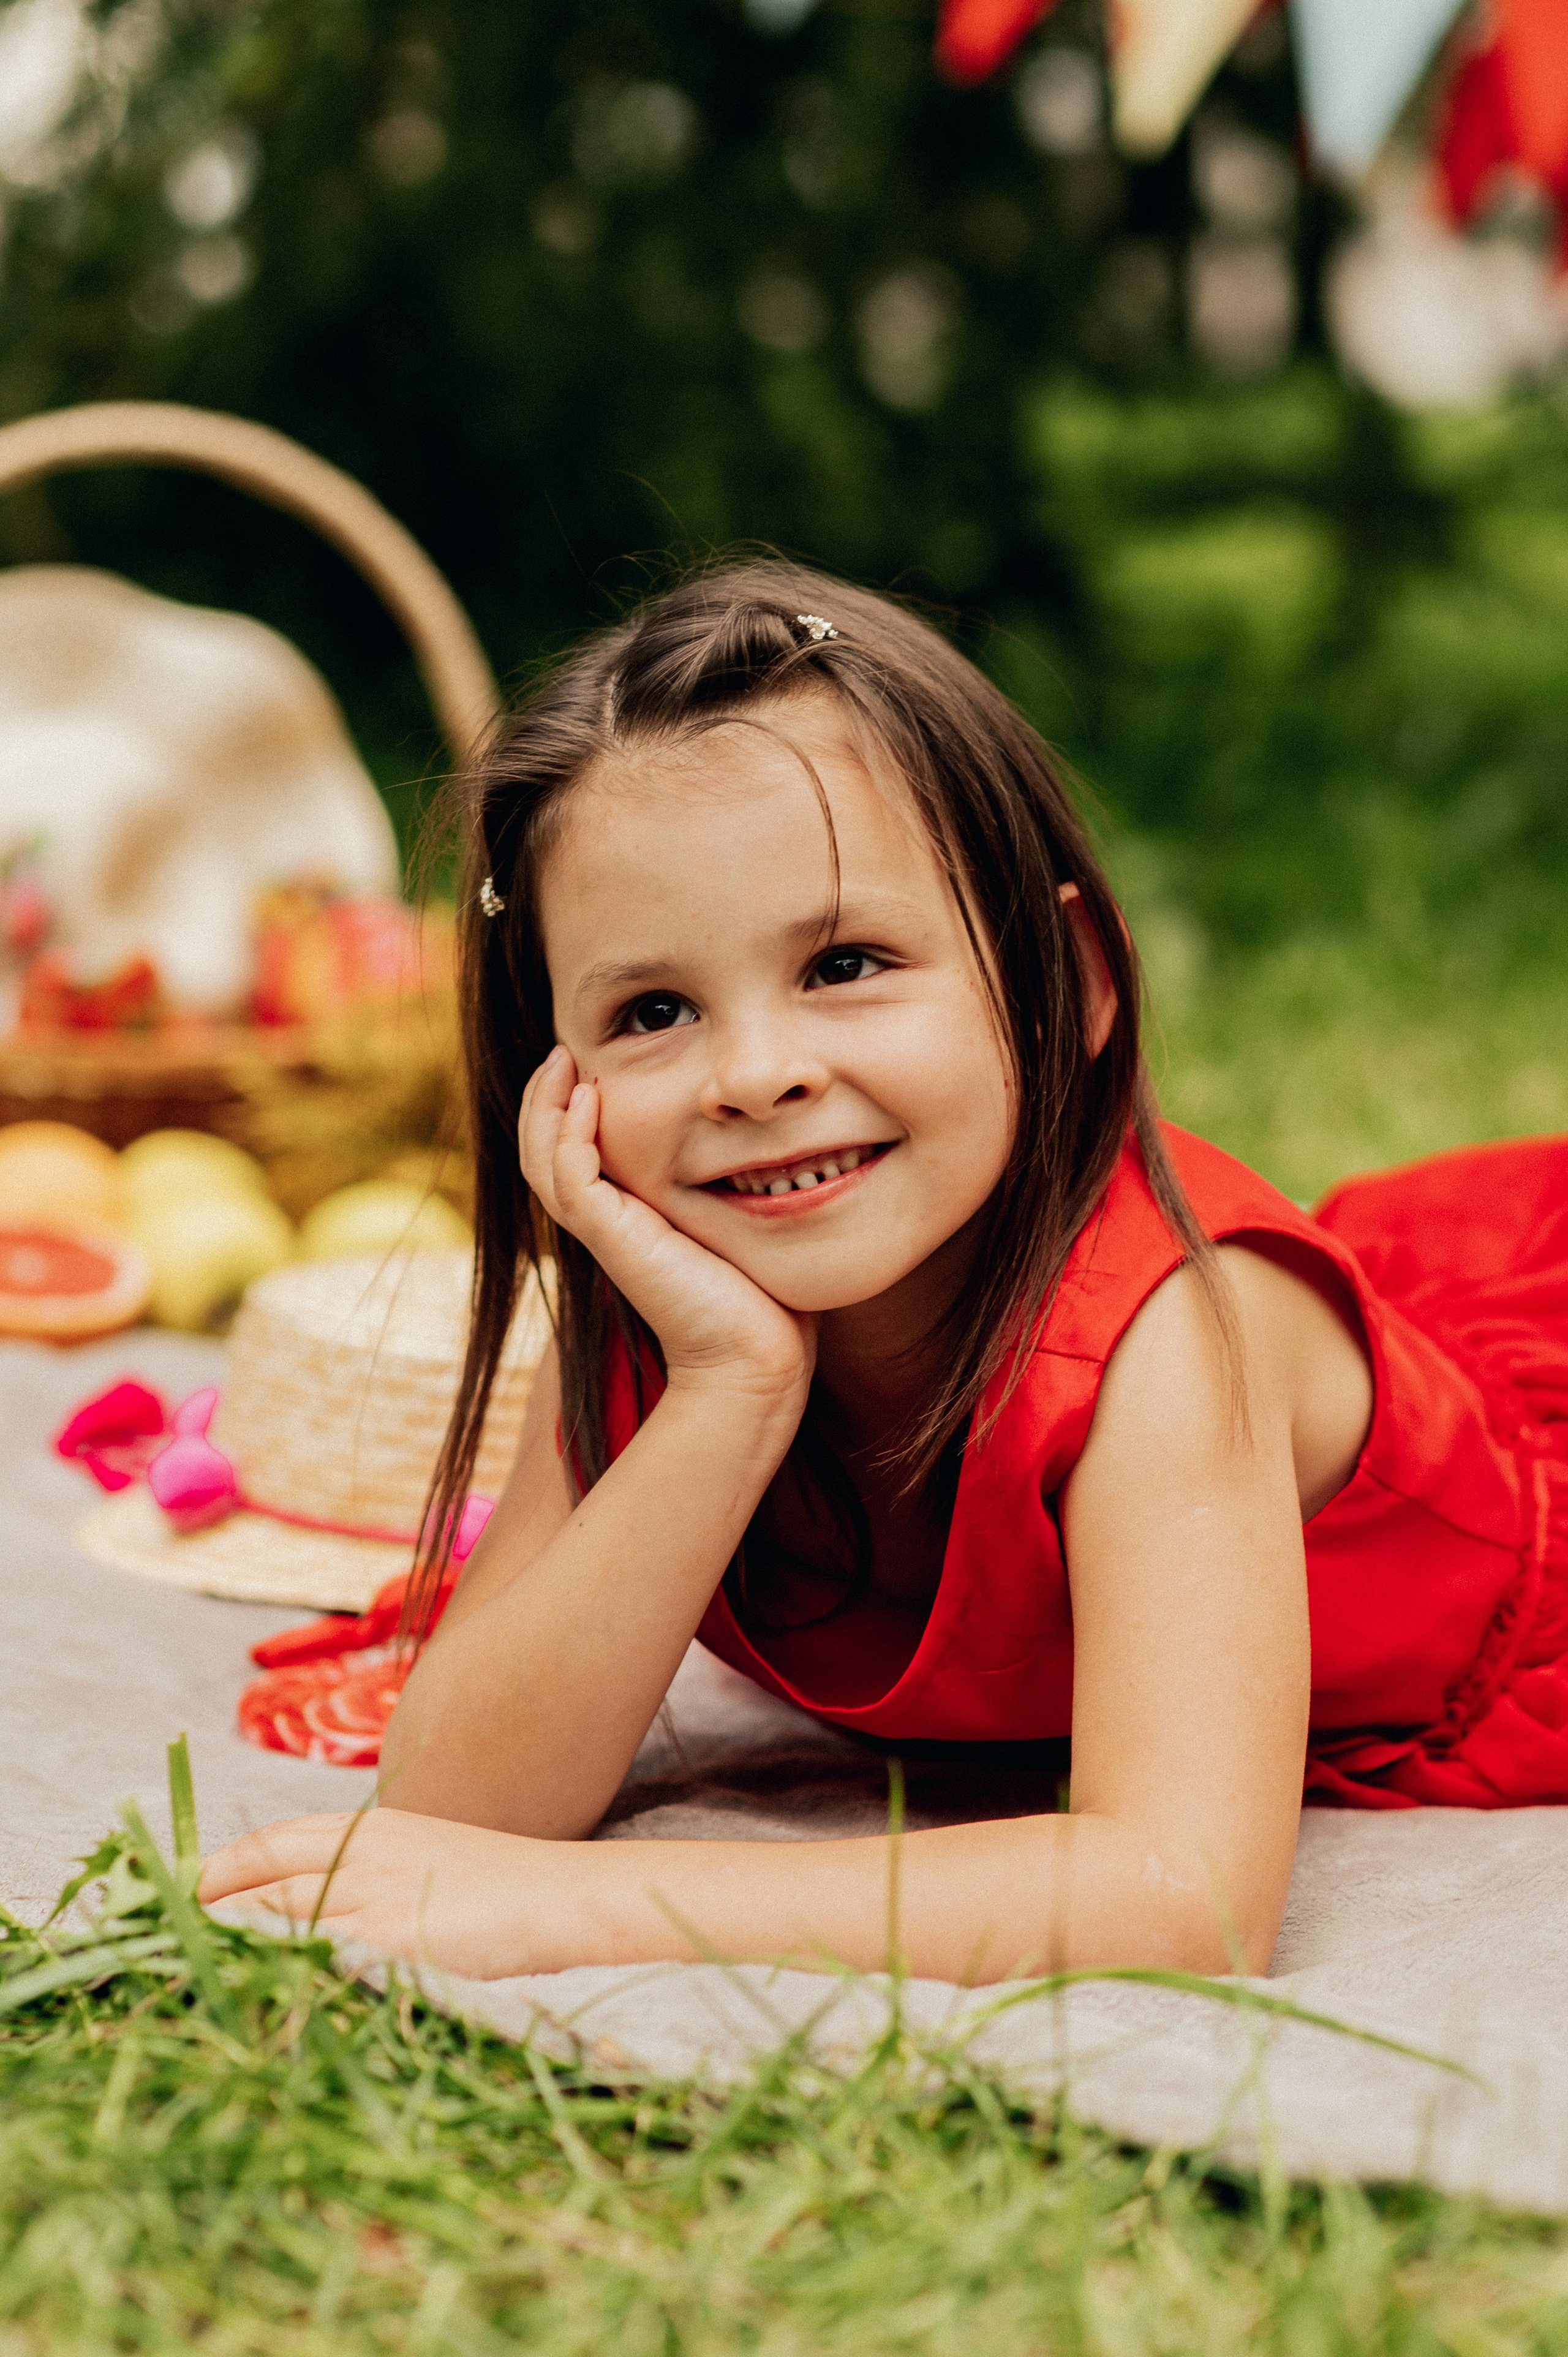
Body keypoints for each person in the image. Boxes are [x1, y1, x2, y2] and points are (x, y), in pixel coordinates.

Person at [198, 561, 1568, 1985]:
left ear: (1070, 978)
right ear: (558, 1075)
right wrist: (729, 1387)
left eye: (845, 962)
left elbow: (1182, 1897)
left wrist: (577, 1911)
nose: (756, 1073)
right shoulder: (662, 1305)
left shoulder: (1171, 1341)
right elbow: (460, 1803)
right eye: (651, 1009)